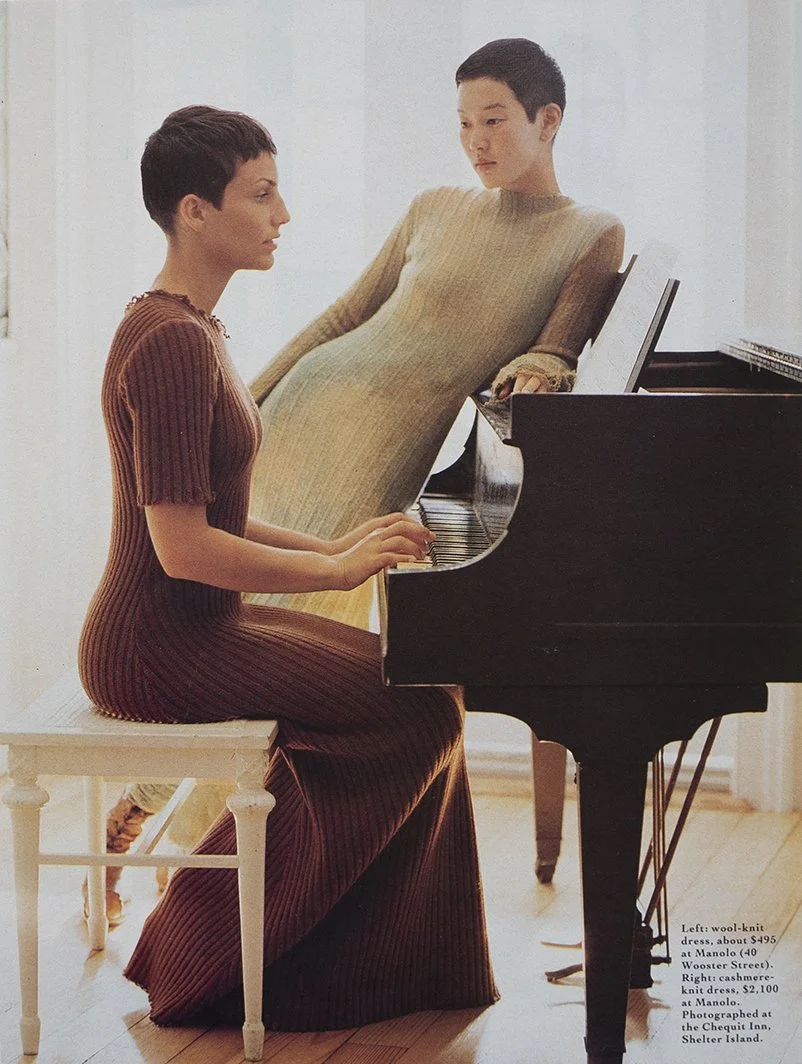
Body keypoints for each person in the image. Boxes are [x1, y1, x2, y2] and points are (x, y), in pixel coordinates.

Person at [100, 37, 626, 917]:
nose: (477, 142)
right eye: (463, 123)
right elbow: (349, 312)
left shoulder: (590, 233)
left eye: (494, 121)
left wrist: (543, 361)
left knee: (288, 638)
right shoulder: (433, 205)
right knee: (247, 630)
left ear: (549, 120)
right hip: (310, 411)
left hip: (390, 450)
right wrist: (251, 395)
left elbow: (557, 346)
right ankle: (155, 838)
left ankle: (177, 856)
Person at [78, 104, 497, 1029]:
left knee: (426, 690)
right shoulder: (170, 345)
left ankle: (331, 957)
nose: (283, 214)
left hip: (193, 626)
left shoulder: (191, 328)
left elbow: (224, 516)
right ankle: (225, 958)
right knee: (420, 708)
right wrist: (342, 575)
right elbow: (180, 549)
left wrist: (340, 546)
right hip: (156, 642)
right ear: (195, 211)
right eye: (261, 194)